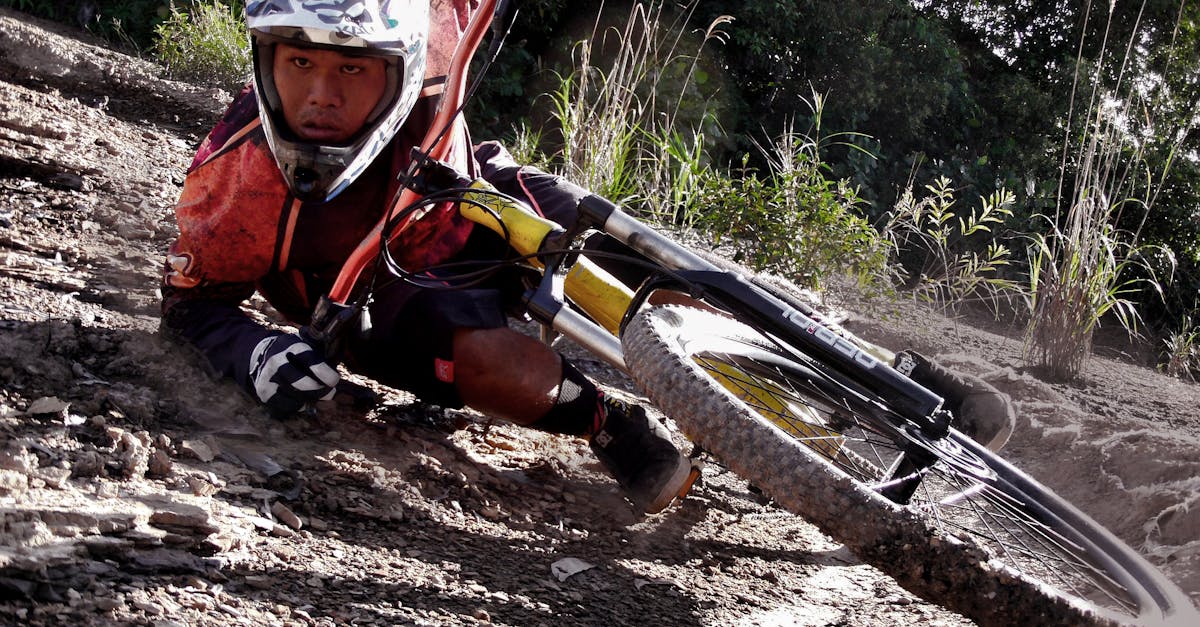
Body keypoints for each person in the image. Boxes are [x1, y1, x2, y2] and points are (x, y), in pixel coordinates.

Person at [160, 0, 1013, 519]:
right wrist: (254, 352)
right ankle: (616, 427)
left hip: (467, 190)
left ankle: (897, 377)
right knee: (495, 361)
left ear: (402, 65)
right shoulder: (234, 178)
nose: (319, 94)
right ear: (265, 59)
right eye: (298, 62)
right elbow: (191, 305)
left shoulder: (434, 34)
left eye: (352, 68)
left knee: (667, 268)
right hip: (379, 298)